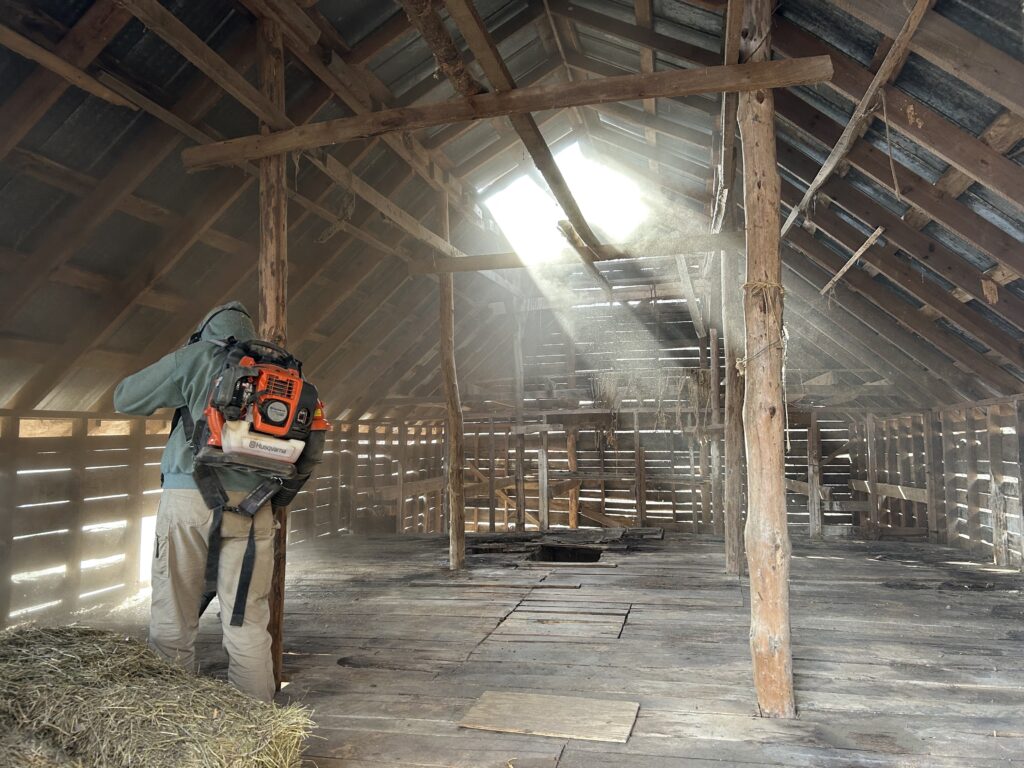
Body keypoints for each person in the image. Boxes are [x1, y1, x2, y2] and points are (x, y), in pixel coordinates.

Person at [114, 301, 319, 702]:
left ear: (206, 331)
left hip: (189, 500)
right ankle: (259, 731)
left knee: (173, 613)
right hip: (256, 505)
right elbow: (309, 451)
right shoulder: (283, 372)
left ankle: (174, 722)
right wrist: (276, 501)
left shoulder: (197, 357)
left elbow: (125, 397)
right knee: (246, 621)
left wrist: (181, 363)